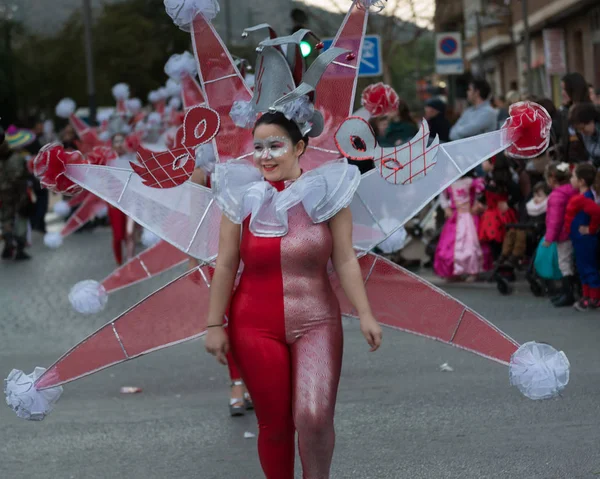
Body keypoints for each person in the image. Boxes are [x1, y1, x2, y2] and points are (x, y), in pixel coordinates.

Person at [204, 111, 382, 478]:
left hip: (318, 320)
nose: (265, 156)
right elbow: (225, 265)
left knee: (314, 417)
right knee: (276, 424)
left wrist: (365, 312)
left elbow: (346, 259)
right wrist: (213, 323)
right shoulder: (241, 197)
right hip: (253, 325)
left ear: (299, 147)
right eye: (258, 148)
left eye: (275, 146)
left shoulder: (329, 193)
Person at [434, 171, 491, 281]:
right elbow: (442, 197)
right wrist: (446, 208)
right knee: (450, 244)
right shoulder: (448, 183)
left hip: (470, 216)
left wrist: (476, 204)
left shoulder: (472, 182)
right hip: (455, 217)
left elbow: (481, 193)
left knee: (472, 245)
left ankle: (474, 271)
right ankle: (454, 272)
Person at [565, 164, 600, 311]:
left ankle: (595, 298)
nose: (571, 179)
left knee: (589, 268)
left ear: (582, 181)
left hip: (586, 240)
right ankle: (586, 295)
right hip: (579, 240)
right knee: (582, 268)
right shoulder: (581, 197)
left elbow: (597, 212)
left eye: (573, 177)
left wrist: (591, 229)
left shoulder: (585, 199)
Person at [544, 162, 578, 307]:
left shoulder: (557, 195)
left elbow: (555, 219)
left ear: (552, 179)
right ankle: (570, 292)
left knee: (564, 263)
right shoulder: (572, 190)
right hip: (573, 232)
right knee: (571, 261)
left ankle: (568, 294)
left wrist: (549, 238)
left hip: (563, 235)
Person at [0, 126, 36, 261]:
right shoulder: (17, 159)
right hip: (18, 193)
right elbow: (21, 177)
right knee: (21, 218)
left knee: (6, 218)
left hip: (3, 194)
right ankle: (20, 248)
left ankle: (8, 244)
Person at [478, 156, 521, 261]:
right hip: (490, 213)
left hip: (502, 214)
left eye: (485, 161)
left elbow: (517, 193)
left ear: (493, 164)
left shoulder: (504, 178)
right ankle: (496, 263)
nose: (482, 164)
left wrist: (508, 203)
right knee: (492, 239)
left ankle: (502, 265)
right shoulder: (488, 178)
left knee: (502, 239)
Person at [558, 72, 591, 164]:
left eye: (565, 89)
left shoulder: (588, 111)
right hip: (569, 163)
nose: (562, 93)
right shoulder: (565, 112)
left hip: (585, 164)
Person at [569, 102, 600, 166]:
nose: (581, 132)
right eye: (578, 129)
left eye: (582, 128)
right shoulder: (586, 135)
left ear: (591, 121)